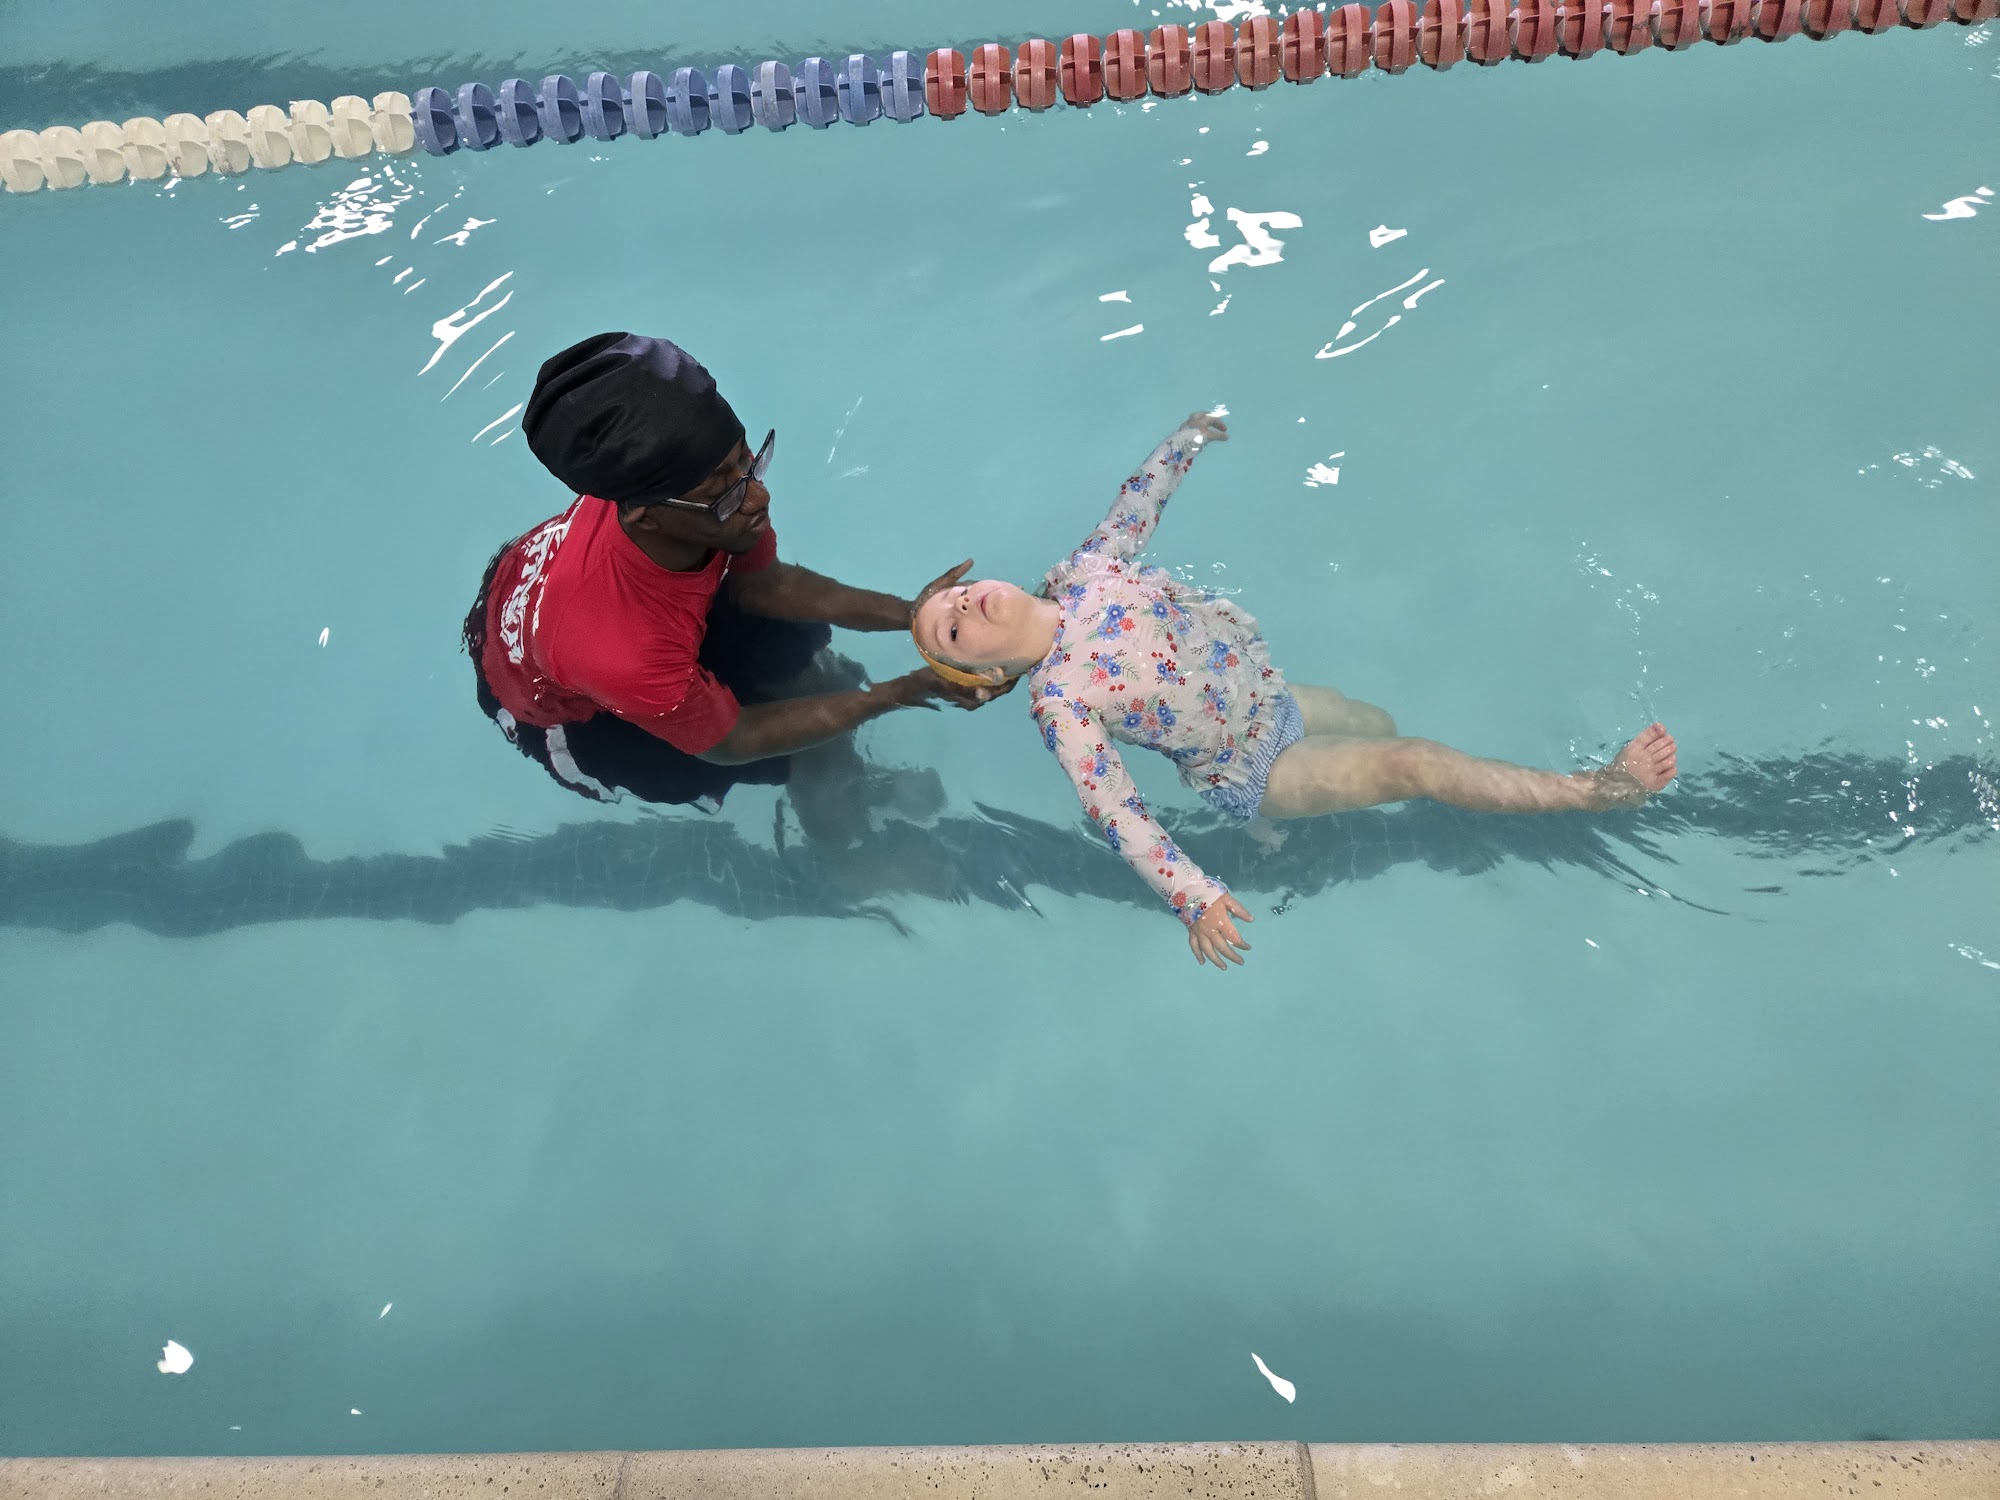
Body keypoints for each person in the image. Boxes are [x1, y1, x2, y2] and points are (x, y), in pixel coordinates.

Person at [909, 411, 1679, 968]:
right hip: (1255, 768)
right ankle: (1597, 791)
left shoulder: (1084, 571)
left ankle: (1281, 837)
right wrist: (1192, 896)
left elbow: (1136, 505)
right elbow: (1114, 808)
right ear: (989, 675)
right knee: (1412, 763)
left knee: (1375, 721)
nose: (962, 608)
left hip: (1273, 700)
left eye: (957, 595)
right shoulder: (1061, 704)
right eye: (951, 632)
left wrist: (1184, 442)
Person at [463, 333, 993, 832]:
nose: (758, 496)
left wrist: (916, 615)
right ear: (646, 516)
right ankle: (850, 855)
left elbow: (768, 588)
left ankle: (844, 782)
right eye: (725, 489)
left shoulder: (708, 499)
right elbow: (737, 739)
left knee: (810, 669)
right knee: (804, 753)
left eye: (747, 460)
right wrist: (902, 692)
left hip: (590, 594)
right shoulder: (623, 650)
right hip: (564, 709)